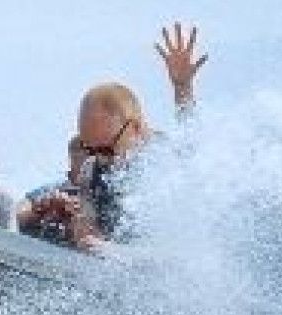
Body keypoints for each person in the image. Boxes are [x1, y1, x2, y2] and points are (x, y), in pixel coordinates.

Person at [70, 21, 210, 242]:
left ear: (134, 128)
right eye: (89, 148)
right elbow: (88, 229)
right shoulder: (91, 170)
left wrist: (183, 88)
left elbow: (191, 147)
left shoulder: (162, 157)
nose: (99, 158)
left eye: (107, 149)